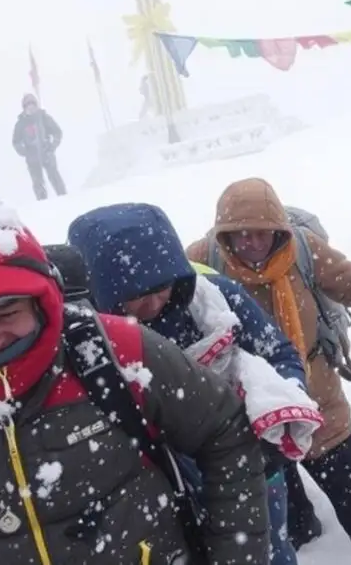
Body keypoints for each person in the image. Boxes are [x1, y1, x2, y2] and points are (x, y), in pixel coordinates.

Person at [0, 194, 270, 565]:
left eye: (7, 313)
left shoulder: (117, 352)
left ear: (41, 301)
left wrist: (236, 555)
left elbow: (223, 431)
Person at [186, 177, 351, 565]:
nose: (252, 243)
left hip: (317, 399)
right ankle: (305, 533)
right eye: (240, 233)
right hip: (250, 411)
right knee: (280, 500)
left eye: (262, 233)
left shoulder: (303, 250)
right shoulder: (203, 260)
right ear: (223, 234)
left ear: (279, 230)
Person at [67, 202, 311, 565]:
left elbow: (279, 355)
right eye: (136, 294)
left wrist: (281, 409)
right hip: (156, 493)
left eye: (163, 287)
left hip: (249, 470)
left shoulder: (216, 301)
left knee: (268, 553)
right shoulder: (86, 341)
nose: (154, 303)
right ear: (102, 287)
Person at [12, 93, 65, 200]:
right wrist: (25, 152)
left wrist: (52, 146)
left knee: (55, 177)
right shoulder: (21, 123)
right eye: (28, 105)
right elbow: (16, 142)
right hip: (32, 158)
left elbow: (57, 132)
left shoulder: (44, 117)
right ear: (24, 108)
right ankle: (42, 203)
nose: (31, 108)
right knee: (37, 183)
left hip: (46, 152)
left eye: (32, 105)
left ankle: (64, 198)